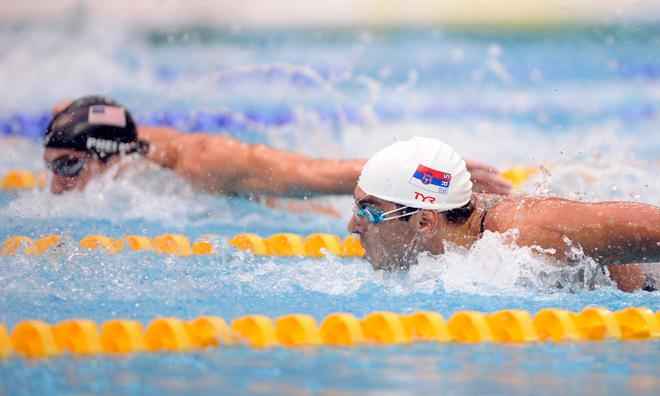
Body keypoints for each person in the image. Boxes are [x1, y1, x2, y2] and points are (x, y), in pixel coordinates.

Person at [348, 136, 660, 292]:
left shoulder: (524, 230)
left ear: (425, 221)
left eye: (369, 211)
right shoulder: (455, 246)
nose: (352, 226)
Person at [44, 95, 512, 198]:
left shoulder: (207, 161)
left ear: (110, 156)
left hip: (285, 204)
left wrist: (424, 171)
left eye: (66, 166)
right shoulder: (121, 145)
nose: (54, 183)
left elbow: (318, 174)